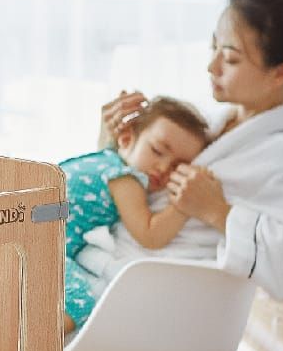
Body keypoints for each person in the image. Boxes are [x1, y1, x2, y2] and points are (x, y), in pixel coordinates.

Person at [68, 0, 283, 332]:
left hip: (147, 306)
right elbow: (140, 196)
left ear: (281, 72)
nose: (212, 66)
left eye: (231, 58)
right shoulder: (212, 126)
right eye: (214, 47)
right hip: (101, 270)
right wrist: (117, 148)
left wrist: (217, 211)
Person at [56, 96, 211, 330]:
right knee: (79, 302)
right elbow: (150, 235)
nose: (163, 168)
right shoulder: (124, 178)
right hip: (40, 243)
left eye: (177, 167)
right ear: (127, 139)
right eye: (157, 151)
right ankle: (26, 346)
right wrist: (185, 203)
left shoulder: (103, 161)